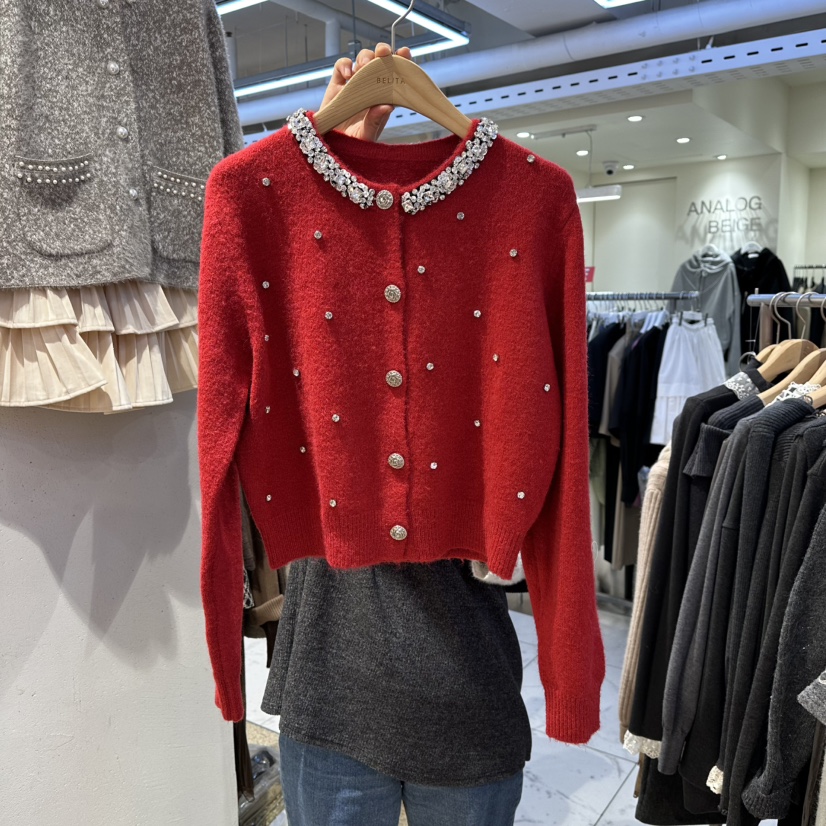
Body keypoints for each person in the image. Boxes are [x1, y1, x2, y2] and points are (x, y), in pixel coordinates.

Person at [267, 43, 531, 826]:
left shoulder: (504, 245)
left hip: (461, 690)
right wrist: (324, 160)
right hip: (333, 688)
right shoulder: (303, 251)